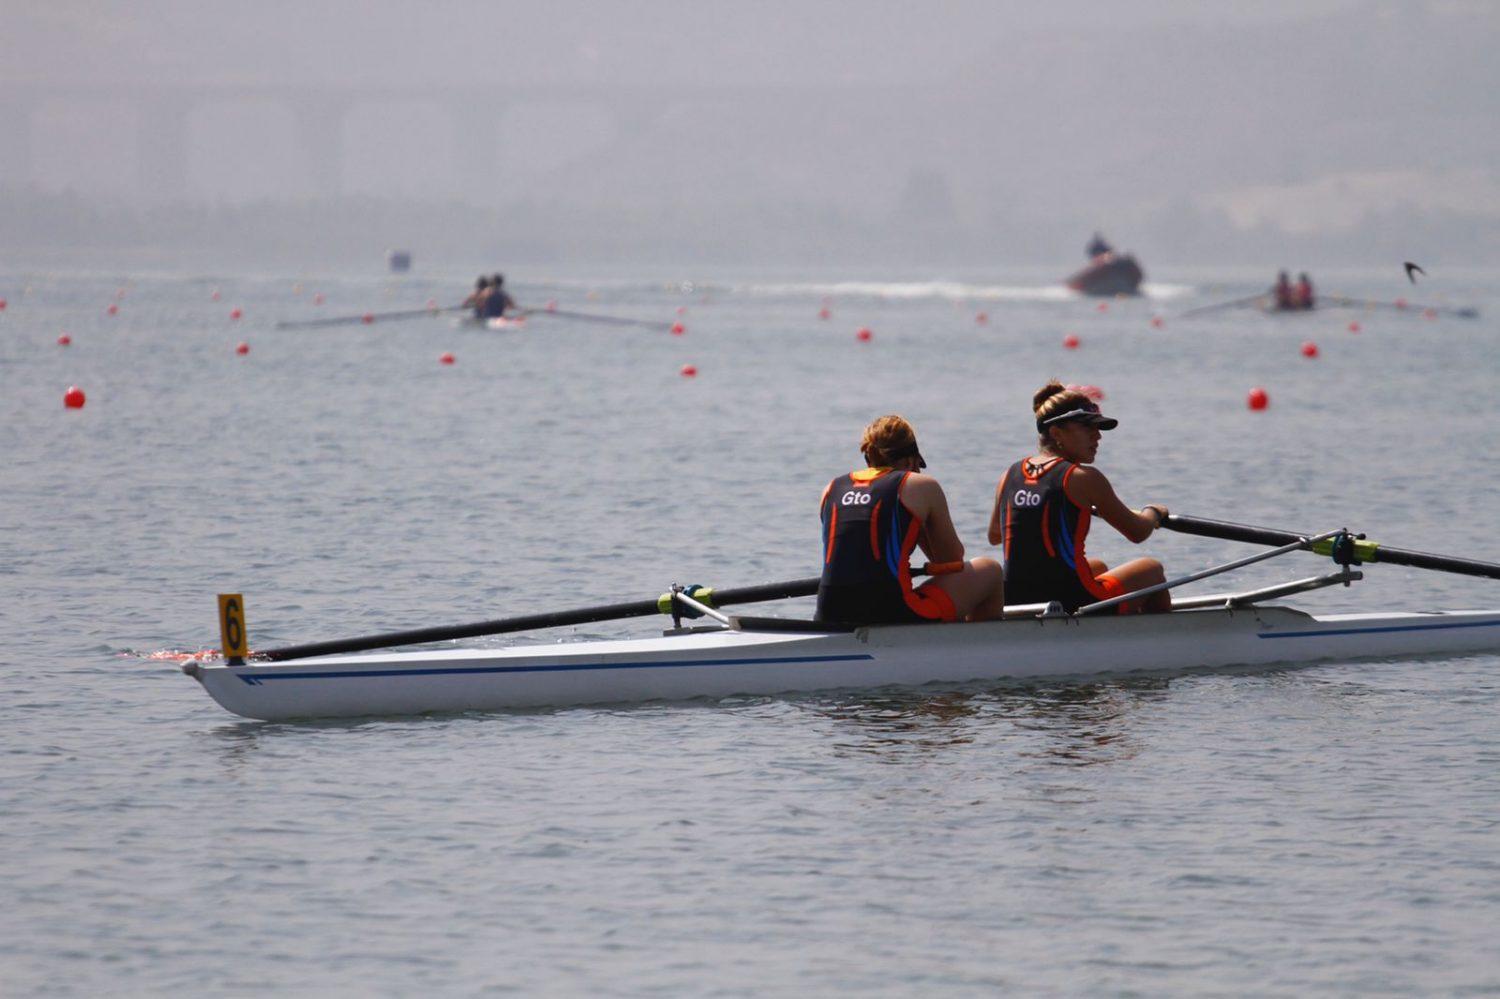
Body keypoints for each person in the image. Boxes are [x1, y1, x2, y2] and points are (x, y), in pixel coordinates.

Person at [987, 382, 1171, 613]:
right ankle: (1164, 641)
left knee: (1098, 566)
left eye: (1098, 428)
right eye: (1087, 427)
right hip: (1072, 600)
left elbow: (995, 535)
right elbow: (1137, 532)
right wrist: (1153, 512)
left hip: (1014, 599)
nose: (1098, 436)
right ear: (1056, 433)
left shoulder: (1009, 474)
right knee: (1151, 569)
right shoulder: (1084, 477)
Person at [817, 415, 1006, 625]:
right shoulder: (921, 485)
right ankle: (974, 651)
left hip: (829, 611)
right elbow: (951, 561)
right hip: (891, 611)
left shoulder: (831, 488)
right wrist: (922, 523)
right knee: (990, 569)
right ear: (910, 460)